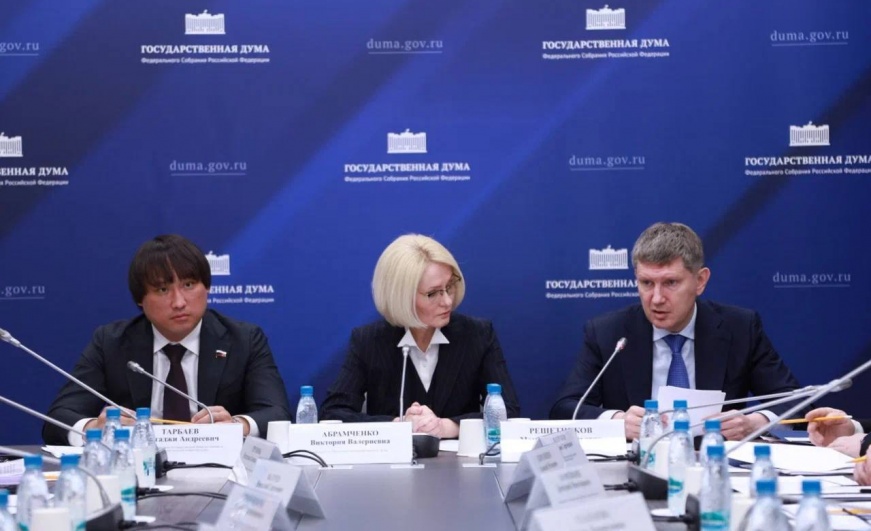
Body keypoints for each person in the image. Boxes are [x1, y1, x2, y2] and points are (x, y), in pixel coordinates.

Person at [550, 222, 803, 441]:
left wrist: (755, 422)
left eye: (670, 283)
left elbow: (797, 402)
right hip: (636, 465)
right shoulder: (609, 333)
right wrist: (616, 421)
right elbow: (565, 408)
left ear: (700, 281)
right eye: (646, 283)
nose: (656, 298)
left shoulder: (739, 328)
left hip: (715, 462)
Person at [43, 234, 292, 445]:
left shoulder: (244, 340)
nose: (179, 302)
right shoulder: (111, 342)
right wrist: (93, 428)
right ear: (140, 299)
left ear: (207, 287)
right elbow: (58, 419)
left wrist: (237, 425)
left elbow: (277, 414)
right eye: (163, 290)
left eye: (189, 285)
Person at [321, 234, 520, 438]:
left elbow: (508, 410)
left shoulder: (477, 334)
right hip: (393, 458)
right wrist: (399, 425)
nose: (447, 301)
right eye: (433, 293)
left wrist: (445, 427)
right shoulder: (368, 341)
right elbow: (333, 414)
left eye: (449, 287)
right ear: (401, 297)